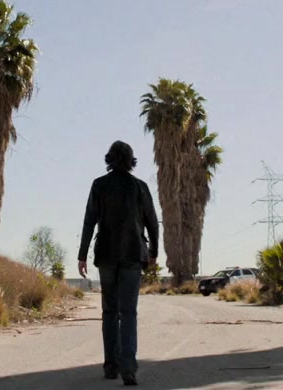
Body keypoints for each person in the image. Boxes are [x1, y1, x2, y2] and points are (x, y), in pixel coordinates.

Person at [78, 140, 159, 387]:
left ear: (110, 159)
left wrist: (82, 255)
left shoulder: (99, 185)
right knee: (128, 312)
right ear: (131, 160)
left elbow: (89, 221)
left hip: (106, 255)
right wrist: (154, 252)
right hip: (133, 255)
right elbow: (152, 222)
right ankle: (128, 368)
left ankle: (111, 366)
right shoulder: (139, 187)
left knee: (110, 311)